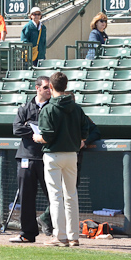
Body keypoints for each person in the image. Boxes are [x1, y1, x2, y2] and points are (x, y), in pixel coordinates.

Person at [36, 71, 89, 247]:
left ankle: (59, 236)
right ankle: (74, 236)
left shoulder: (48, 108)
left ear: (51, 87)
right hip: (72, 155)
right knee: (71, 195)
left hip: (53, 155)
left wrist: (37, 138)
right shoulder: (77, 107)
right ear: (65, 87)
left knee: (56, 197)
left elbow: (47, 136)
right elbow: (85, 133)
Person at [10, 76, 53, 243]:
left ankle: (58, 232)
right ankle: (27, 233)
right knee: (26, 197)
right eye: (45, 88)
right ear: (37, 88)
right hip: (26, 157)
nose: (49, 91)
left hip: (47, 158)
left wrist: (32, 126)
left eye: (50, 88)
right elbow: (17, 128)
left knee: (54, 197)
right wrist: (33, 132)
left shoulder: (53, 107)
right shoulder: (25, 107)